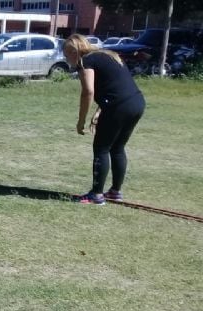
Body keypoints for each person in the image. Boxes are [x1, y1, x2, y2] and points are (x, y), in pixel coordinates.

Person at [63, 34, 146, 205]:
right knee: (117, 147)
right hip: (136, 103)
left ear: (73, 51)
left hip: (118, 106)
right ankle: (115, 192)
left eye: (66, 54)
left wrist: (81, 121)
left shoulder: (86, 61)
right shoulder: (106, 55)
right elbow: (114, 85)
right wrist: (100, 111)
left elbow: (88, 92)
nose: (66, 59)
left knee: (101, 148)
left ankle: (96, 194)